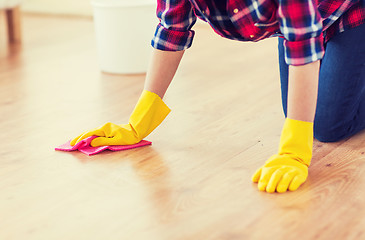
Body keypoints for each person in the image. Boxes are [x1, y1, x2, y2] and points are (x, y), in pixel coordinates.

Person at [71, 0, 365, 193]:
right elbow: (171, 32)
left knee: (326, 127)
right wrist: (138, 123)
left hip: (349, 13)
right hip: (304, 22)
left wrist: (294, 151)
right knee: (299, 111)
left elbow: (301, 45)